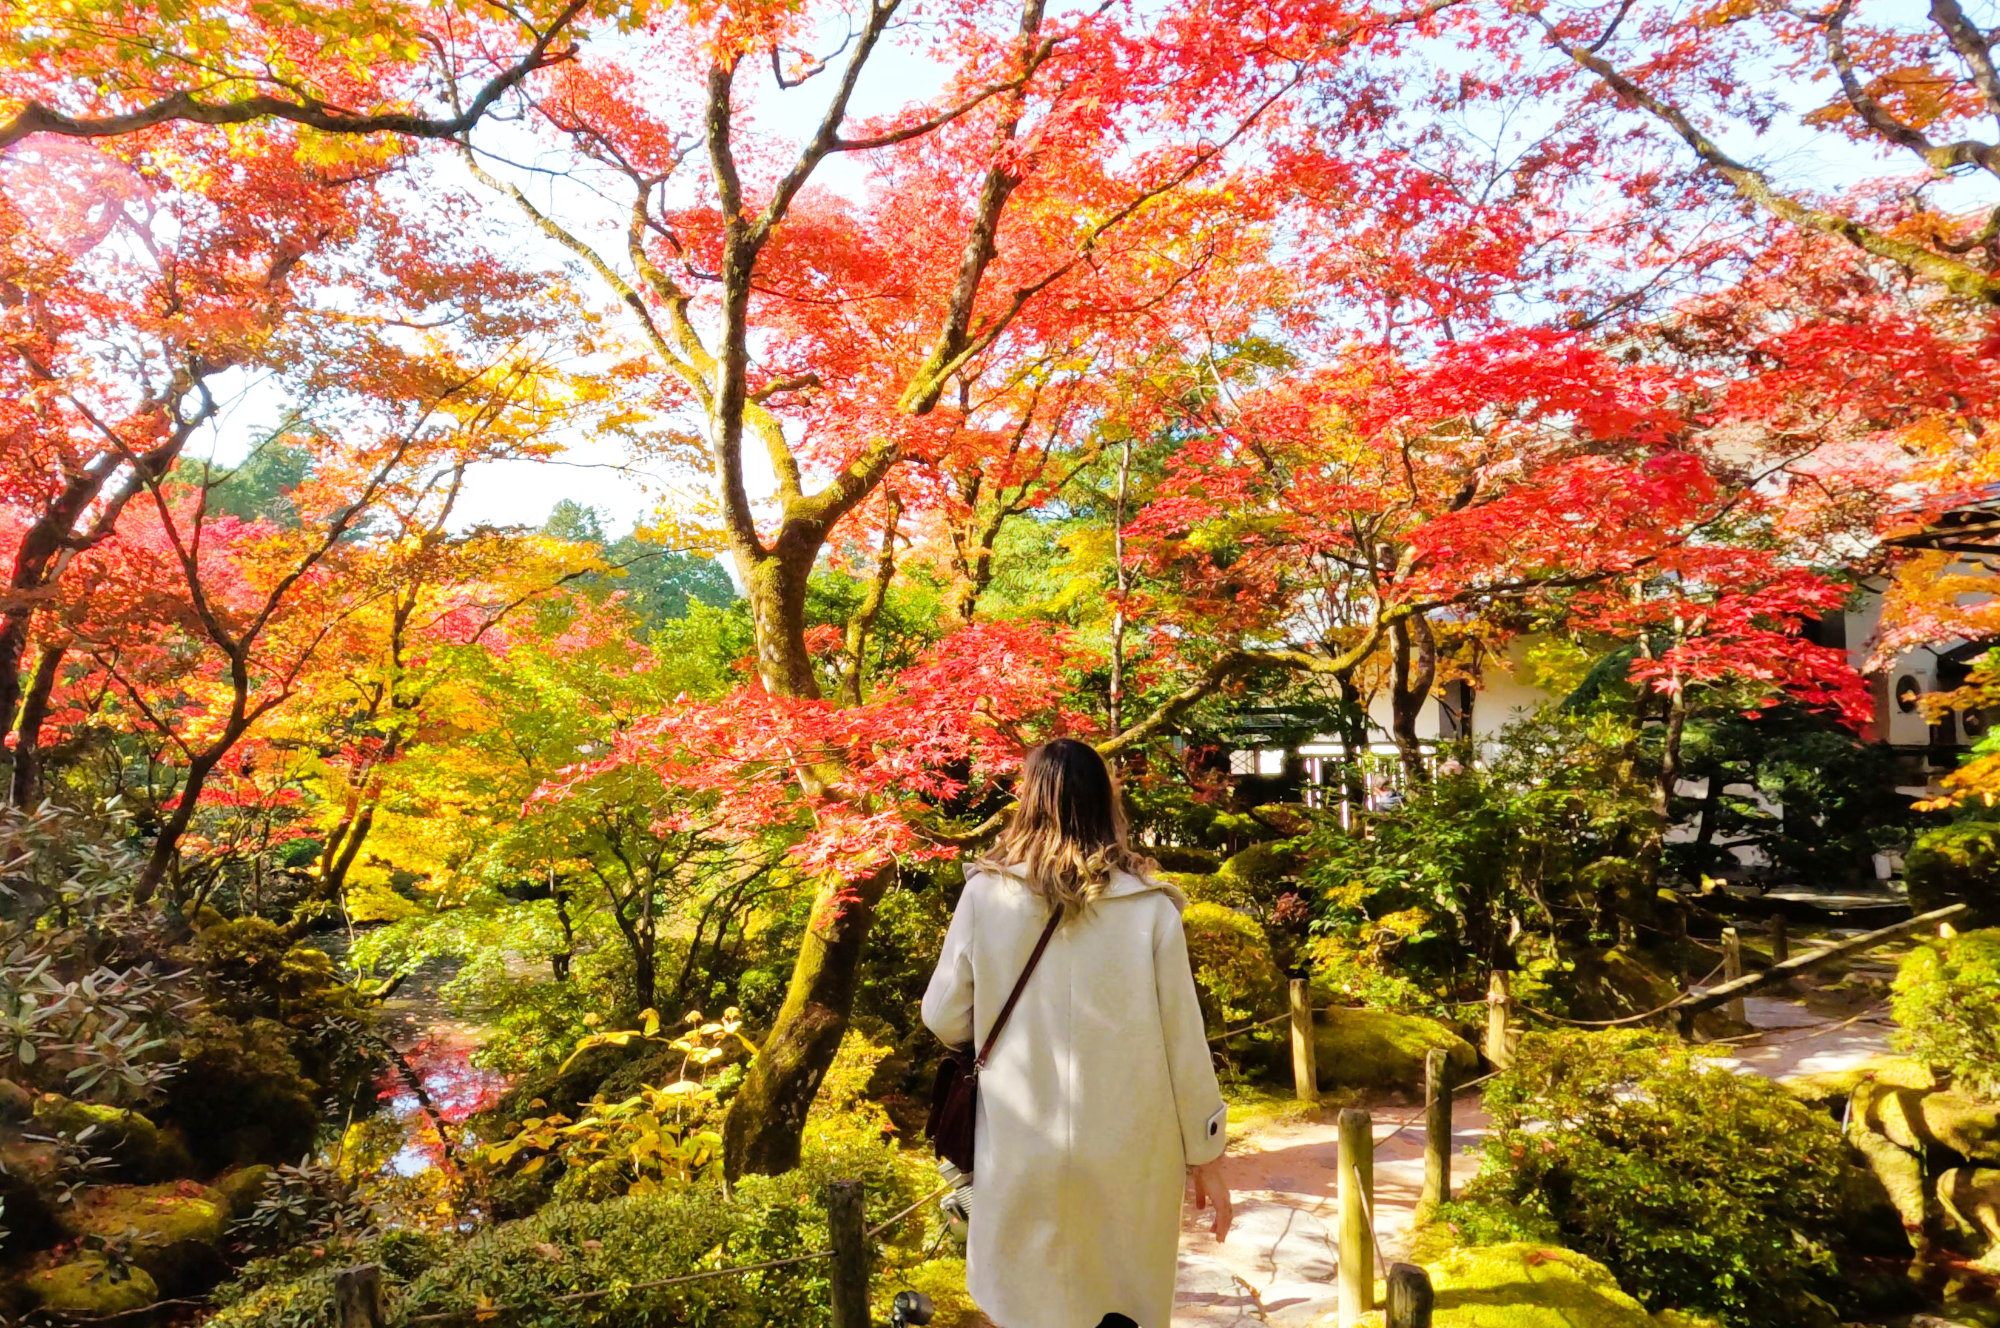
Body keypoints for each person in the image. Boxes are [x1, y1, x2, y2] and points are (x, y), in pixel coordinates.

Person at [922, 737, 1232, 1328]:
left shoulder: (986, 895)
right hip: (1130, 1153)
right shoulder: (1150, 909)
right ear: (1103, 804)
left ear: (1028, 802)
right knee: (1119, 1307)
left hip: (1019, 1139)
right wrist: (1208, 1158)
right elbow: (1183, 1044)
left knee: (1022, 1307)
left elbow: (941, 1016)